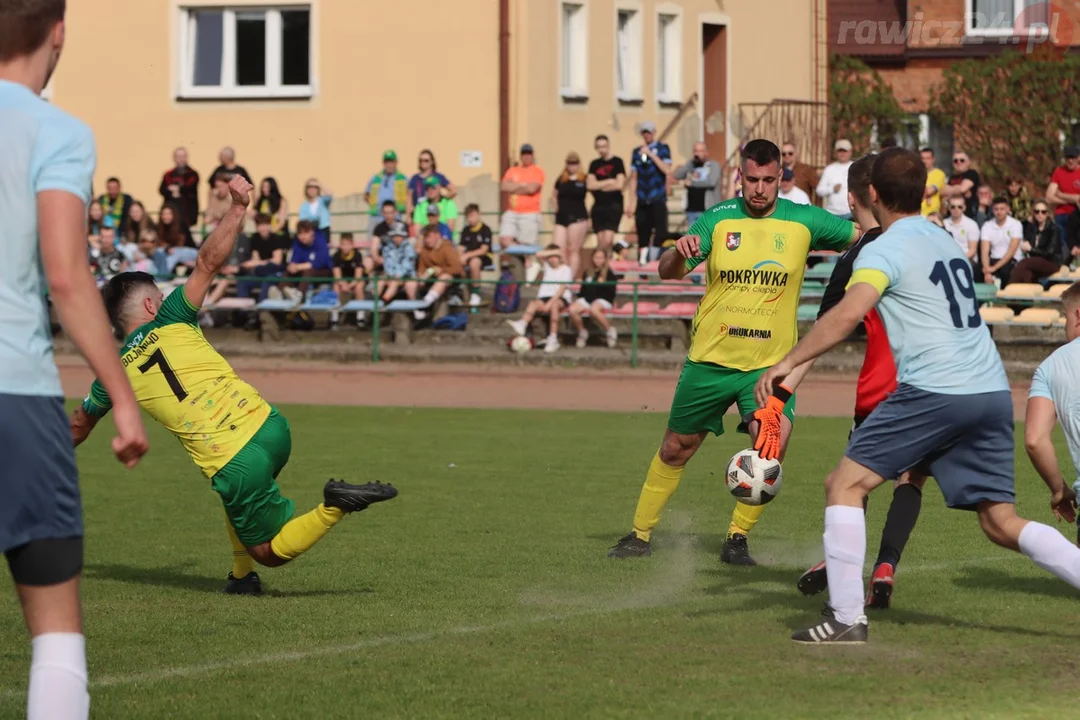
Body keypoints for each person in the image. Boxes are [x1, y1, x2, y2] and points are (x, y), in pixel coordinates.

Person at [755, 147, 1080, 645]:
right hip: (990, 390)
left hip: (937, 388)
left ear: (872, 195)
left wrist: (786, 362)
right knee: (1000, 521)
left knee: (844, 484)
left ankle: (845, 619)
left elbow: (845, 316)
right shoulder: (944, 238)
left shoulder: (882, 247)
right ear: (924, 192)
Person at [70, 176, 398, 599]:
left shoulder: (111, 372)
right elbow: (208, 261)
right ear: (152, 304)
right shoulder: (173, 316)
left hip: (233, 457)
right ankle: (242, 578)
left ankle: (335, 505)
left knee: (270, 551)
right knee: (232, 499)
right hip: (270, 426)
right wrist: (238, 208)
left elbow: (81, 424)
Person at [606, 139, 857, 563]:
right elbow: (668, 273)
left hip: (769, 370)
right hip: (708, 362)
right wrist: (675, 252)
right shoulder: (717, 220)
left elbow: (863, 237)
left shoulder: (805, 220)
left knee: (770, 450)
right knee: (675, 448)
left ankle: (737, 538)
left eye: (767, 181)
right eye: (751, 180)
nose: (758, 189)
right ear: (739, 176)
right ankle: (639, 535)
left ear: (781, 178)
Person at [1, 4, 149, 718]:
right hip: (17, 398)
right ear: (57, 32)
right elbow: (66, 275)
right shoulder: (58, 131)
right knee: (56, 637)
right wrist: (120, 396)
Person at [791, 154, 922, 610]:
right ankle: (885, 565)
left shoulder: (857, 255)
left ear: (852, 197)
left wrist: (785, 382)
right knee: (911, 478)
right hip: (930, 379)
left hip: (878, 382)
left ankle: (841, 563)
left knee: (851, 481)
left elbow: (829, 324)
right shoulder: (923, 238)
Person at [1025, 282, 1080, 544]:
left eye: (1065, 316)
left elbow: (1035, 440)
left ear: (1078, 315)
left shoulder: (1051, 367)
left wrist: (1058, 490)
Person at [506, 245, 573, 353]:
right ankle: (523, 323)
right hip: (544, 297)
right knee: (533, 304)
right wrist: (552, 252)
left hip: (559, 298)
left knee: (554, 307)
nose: (552, 259)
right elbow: (537, 255)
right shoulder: (547, 266)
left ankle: (553, 338)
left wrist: (550, 304)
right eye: (550, 256)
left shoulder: (566, 269)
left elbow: (562, 289)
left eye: (554, 256)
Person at [626, 121, 672, 263]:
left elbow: (667, 169)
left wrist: (651, 154)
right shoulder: (636, 152)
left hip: (657, 197)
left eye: (649, 132)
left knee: (661, 232)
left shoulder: (663, 148)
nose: (647, 135)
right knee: (642, 234)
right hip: (642, 198)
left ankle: (657, 260)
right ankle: (643, 264)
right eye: (644, 132)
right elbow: (633, 178)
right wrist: (631, 202)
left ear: (654, 132)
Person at [499, 144, 545, 262]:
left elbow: (532, 189)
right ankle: (519, 253)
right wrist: (523, 185)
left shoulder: (537, 171)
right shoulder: (512, 170)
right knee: (504, 240)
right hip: (512, 211)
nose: (526, 157)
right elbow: (504, 186)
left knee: (527, 247)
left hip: (530, 213)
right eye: (524, 154)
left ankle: (529, 270)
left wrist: (514, 187)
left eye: (529, 154)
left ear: (532, 155)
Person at [568, 248, 621, 349]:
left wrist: (603, 285)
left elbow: (612, 291)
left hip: (603, 299)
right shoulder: (588, 272)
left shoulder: (609, 274)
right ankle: (582, 332)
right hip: (587, 298)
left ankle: (609, 330)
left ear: (605, 259)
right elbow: (583, 289)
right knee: (572, 309)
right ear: (592, 258)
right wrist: (580, 299)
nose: (598, 260)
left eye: (601, 258)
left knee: (594, 309)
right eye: (596, 257)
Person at [587, 135, 626, 258]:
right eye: (598, 147)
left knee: (607, 241)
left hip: (614, 205)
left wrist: (600, 185)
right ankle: (602, 270)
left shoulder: (617, 162)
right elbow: (590, 185)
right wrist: (609, 182)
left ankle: (607, 270)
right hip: (598, 206)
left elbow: (619, 184)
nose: (601, 149)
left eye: (603, 146)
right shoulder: (594, 164)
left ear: (608, 146)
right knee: (600, 242)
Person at [1011, 200, 1067, 284]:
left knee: (1024, 263)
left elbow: (1049, 252)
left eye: (1043, 212)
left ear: (1048, 213)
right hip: (1035, 262)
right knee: (1026, 273)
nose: (1040, 214)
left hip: (1051, 263)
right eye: (1037, 212)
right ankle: (1026, 294)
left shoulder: (1054, 229)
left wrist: (1030, 249)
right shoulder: (1032, 228)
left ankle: (1009, 289)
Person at [552, 151, 589, 278]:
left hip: (578, 216)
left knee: (573, 249)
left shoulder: (584, 178)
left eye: (574, 163)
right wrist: (556, 208)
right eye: (569, 163)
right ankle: (561, 275)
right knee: (558, 248)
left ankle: (569, 278)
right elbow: (554, 195)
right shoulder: (561, 179)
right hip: (562, 216)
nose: (572, 166)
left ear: (579, 164)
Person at [673, 142, 722, 227]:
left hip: (707, 210)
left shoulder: (713, 166)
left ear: (706, 152)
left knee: (707, 239)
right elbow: (677, 175)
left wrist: (692, 183)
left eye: (701, 151)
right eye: (696, 151)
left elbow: (711, 182)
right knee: (692, 239)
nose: (698, 153)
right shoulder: (691, 165)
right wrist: (689, 165)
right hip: (691, 210)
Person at [978, 195, 1023, 287]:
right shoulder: (987, 225)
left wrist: (994, 268)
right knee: (976, 271)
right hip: (993, 259)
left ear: (1007, 209)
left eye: (1002, 209)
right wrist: (987, 270)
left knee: (1006, 271)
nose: (999, 212)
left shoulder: (1015, 224)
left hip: (1011, 260)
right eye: (996, 209)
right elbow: (984, 250)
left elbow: (1011, 250)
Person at [458, 203, 493, 307]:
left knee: (474, 263)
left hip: (484, 257)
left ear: (479, 214)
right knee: (457, 263)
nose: (470, 219)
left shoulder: (485, 229)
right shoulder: (465, 230)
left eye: (472, 215)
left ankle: (476, 294)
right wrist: (460, 257)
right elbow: (461, 247)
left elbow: (483, 250)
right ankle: (462, 292)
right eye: (468, 216)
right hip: (468, 256)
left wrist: (467, 255)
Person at [330, 233, 367, 330]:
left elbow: (358, 276)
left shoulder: (357, 255)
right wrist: (342, 284)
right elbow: (337, 275)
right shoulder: (336, 256)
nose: (345, 247)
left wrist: (350, 286)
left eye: (348, 244)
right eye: (343, 244)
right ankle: (334, 318)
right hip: (343, 280)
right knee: (335, 287)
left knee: (359, 286)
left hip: (354, 280)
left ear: (352, 245)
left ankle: (360, 317)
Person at [159, 147, 200, 229]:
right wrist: (173, 192)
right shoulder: (168, 175)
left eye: (183, 156)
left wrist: (177, 189)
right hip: (171, 215)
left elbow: (190, 189)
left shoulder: (193, 174)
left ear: (187, 157)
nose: (181, 159)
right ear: (174, 158)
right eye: (178, 157)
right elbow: (162, 190)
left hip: (188, 215)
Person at [1048, 146, 1080, 241]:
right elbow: (1049, 197)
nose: (1070, 161)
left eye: (1073, 157)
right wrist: (1073, 200)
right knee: (1061, 248)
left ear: (1078, 158)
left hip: (1078, 215)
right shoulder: (1059, 171)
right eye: (1068, 158)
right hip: (1062, 215)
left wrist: (1060, 194)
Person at [816, 140, 854, 219]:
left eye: (845, 151)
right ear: (836, 153)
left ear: (850, 152)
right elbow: (819, 190)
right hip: (832, 214)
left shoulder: (855, 167)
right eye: (840, 151)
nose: (842, 154)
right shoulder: (829, 169)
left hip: (851, 213)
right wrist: (832, 189)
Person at [941, 151, 980, 220]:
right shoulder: (951, 177)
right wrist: (958, 190)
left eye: (962, 160)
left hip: (969, 216)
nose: (958, 162)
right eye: (955, 161)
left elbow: (962, 189)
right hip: (951, 216)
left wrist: (950, 190)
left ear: (968, 162)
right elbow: (942, 191)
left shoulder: (972, 173)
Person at [942, 197, 980, 263]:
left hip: (968, 259)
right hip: (948, 259)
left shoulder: (972, 224)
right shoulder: (944, 223)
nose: (956, 209)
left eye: (960, 207)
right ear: (948, 208)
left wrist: (959, 261)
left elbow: (972, 250)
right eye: (953, 207)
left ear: (964, 208)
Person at [298, 178, 332, 249]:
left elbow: (329, 195)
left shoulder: (323, 200)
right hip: (310, 231)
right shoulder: (304, 206)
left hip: (323, 230)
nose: (312, 189)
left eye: (314, 187)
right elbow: (303, 221)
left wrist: (319, 184)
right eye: (309, 187)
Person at [919, 147, 946, 217]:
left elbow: (930, 191)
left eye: (928, 158)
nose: (925, 161)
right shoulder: (915, 174)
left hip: (932, 215)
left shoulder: (939, 174)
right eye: (923, 158)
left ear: (933, 159)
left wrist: (923, 191)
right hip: (917, 214)